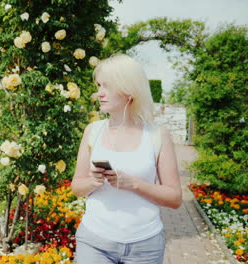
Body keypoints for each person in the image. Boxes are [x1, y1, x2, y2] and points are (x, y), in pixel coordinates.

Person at [71, 54, 182, 264]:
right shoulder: (92, 131)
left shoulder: (157, 135)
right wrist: (93, 182)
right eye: (99, 85)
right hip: (94, 242)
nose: (99, 93)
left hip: (145, 247)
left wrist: (134, 184)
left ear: (128, 90)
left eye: (107, 87)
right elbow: (77, 186)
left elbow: (175, 198)